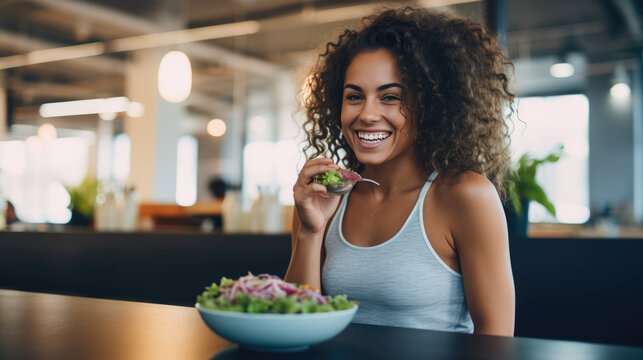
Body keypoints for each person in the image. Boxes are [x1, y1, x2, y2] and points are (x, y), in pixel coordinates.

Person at [285, 7, 515, 336]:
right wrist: (310, 232)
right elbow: (296, 329)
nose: (367, 114)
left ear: (430, 104)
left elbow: (496, 339)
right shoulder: (325, 199)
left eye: (390, 97)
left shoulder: (465, 195)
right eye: (354, 96)